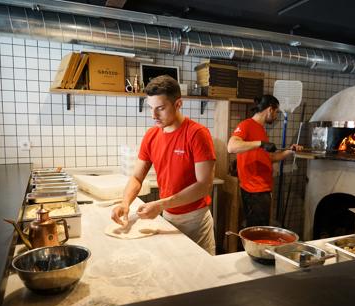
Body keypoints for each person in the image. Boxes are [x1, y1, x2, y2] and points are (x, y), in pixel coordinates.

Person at [111, 75, 217, 255]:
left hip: (195, 220)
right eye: (151, 108)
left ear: (178, 104)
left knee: (200, 275)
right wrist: (125, 202)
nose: (154, 115)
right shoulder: (151, 135)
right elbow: (137, 177)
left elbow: (203, 186)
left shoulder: (197, 134)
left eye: (160, 108)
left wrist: (160, 205)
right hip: (168, 217)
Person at [227, 94, 302, 227]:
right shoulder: (246, 125)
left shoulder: (261, 130)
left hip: (263, 189)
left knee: (260, 228)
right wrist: (260, 144)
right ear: (269, 109)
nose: (276, 116)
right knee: (258, 232)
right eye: (276, 112)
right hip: (253, 190)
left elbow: (270, 158)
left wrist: (290, 151)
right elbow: (231, 147)